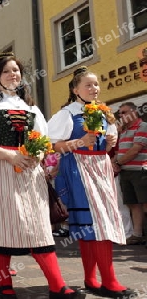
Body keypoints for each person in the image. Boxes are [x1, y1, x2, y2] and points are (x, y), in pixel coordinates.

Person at [0, 52, 84, 299]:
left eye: (16, 71)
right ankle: (4, 282)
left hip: (29, 172)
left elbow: (43, 141)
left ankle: (57, 285)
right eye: (7, 71)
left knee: (38, 227)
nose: (12, 75)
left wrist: (36, 156)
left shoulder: (31, 108)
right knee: (1, 226)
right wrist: (10, 156)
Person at [48, 66, 136, 298]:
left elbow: (105, 147)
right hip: (79, 168)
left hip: (101, 168)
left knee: (96, 224)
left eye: (96, 84)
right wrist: (80, 141)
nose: (94, 88)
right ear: (75, 89)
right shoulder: (67, 114)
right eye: (88, 85)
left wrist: (108, 142)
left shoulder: (104, 112)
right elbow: (54, 146)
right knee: (94, 225)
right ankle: (108, 281)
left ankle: (92, 279)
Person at [113, 102, 147, 245]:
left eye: (124, 112)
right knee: (133, 204)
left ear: (134, 113)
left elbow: (135, 149)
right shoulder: (124, 130)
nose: (121, 115)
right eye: (120, 113)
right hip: (126, 172)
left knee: (145, 203)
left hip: (140, 171)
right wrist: (112, 163)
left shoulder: (143, 126)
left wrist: (118, 163)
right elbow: (119, 152)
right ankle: (137, 235)